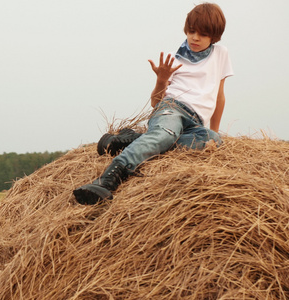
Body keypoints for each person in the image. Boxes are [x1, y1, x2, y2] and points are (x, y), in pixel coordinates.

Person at [73, 3, 234, 205]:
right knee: (165, 134)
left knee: (212, 141)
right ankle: (108, 179)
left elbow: (220, 96)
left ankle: (132, 140)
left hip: (196, 122)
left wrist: (215, 131)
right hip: (171, 109)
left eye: (202, 34)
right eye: (191, 31)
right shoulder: (173, 60)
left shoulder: (221, 54)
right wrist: (161, 79)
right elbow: (155, 103)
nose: (194, 37)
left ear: (214, 36)